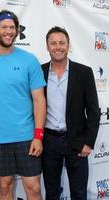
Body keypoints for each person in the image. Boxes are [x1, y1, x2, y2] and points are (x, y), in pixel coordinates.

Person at [0, 10, 46, 200]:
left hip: (26, 137)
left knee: (34, 188)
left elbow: (39, 99)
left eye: (12, 27)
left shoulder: (29, 60)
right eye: (4, 27)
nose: (8, 31)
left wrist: (38, 136)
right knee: (4, 188)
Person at [41, 26, 100, 200]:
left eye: (61, 43)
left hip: (77, 142)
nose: (57, 47)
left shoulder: (84, 72)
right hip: (49, 142)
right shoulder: (39, 71)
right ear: (47, 46)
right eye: (53, 43)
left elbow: (93, 111)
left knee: (79, 193)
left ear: (68, 45)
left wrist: (88, 142)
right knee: (51, 192)